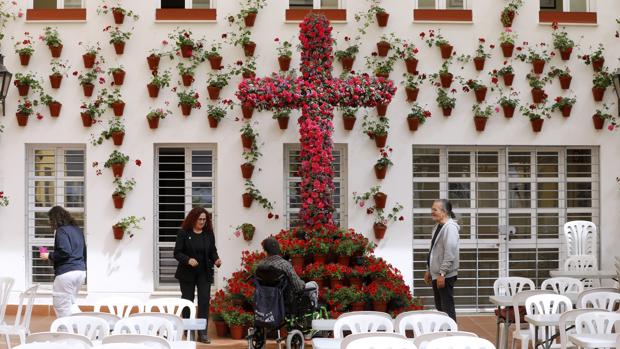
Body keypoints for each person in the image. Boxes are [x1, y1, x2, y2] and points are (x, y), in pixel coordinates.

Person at [174, 207, 221, 344]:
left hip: (204, 272)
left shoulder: (208, 233)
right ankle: (189, 331)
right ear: (193, 219)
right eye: (199, 219)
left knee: (204, 302)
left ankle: (202, 333)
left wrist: (216, 259)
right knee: (188, 301)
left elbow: (213, 251)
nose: (202, 222)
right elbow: (177, 253)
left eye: (204, 219)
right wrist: (188, 260)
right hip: (187, 273)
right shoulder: (183, 233)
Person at [40, 206, 87, 318]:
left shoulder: (61, 230)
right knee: (71, 303)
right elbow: (84, 252)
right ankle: (86, 327)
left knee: (61, 306)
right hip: (80, 272)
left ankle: (65, 333)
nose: (50, 222)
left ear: (55, 218)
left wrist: (49, 255)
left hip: (66, 273)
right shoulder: (77, 230)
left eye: (50, 220)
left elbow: (65, 252)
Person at [424, 199, 459, 321]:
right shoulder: (437, 227)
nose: (432, 212)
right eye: (432, 209)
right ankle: (443, 332)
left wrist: (442, 273)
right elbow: (433, 250)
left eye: (435, 210)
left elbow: (450, 253)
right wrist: (429, 269)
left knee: (447, 307)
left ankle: (452, 334)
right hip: (436, 274)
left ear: (444, 212)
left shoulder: (450, 228)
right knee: (440, 307)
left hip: (445, 275)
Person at [256, 237, 318, 307]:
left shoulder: (260, 266)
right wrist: (303, 283)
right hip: (286, 301)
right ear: (278, 249)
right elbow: (298, 286)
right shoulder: (284, 264)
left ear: (265, 251)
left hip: (267, 300)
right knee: (314, 284)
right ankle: (315, 307)